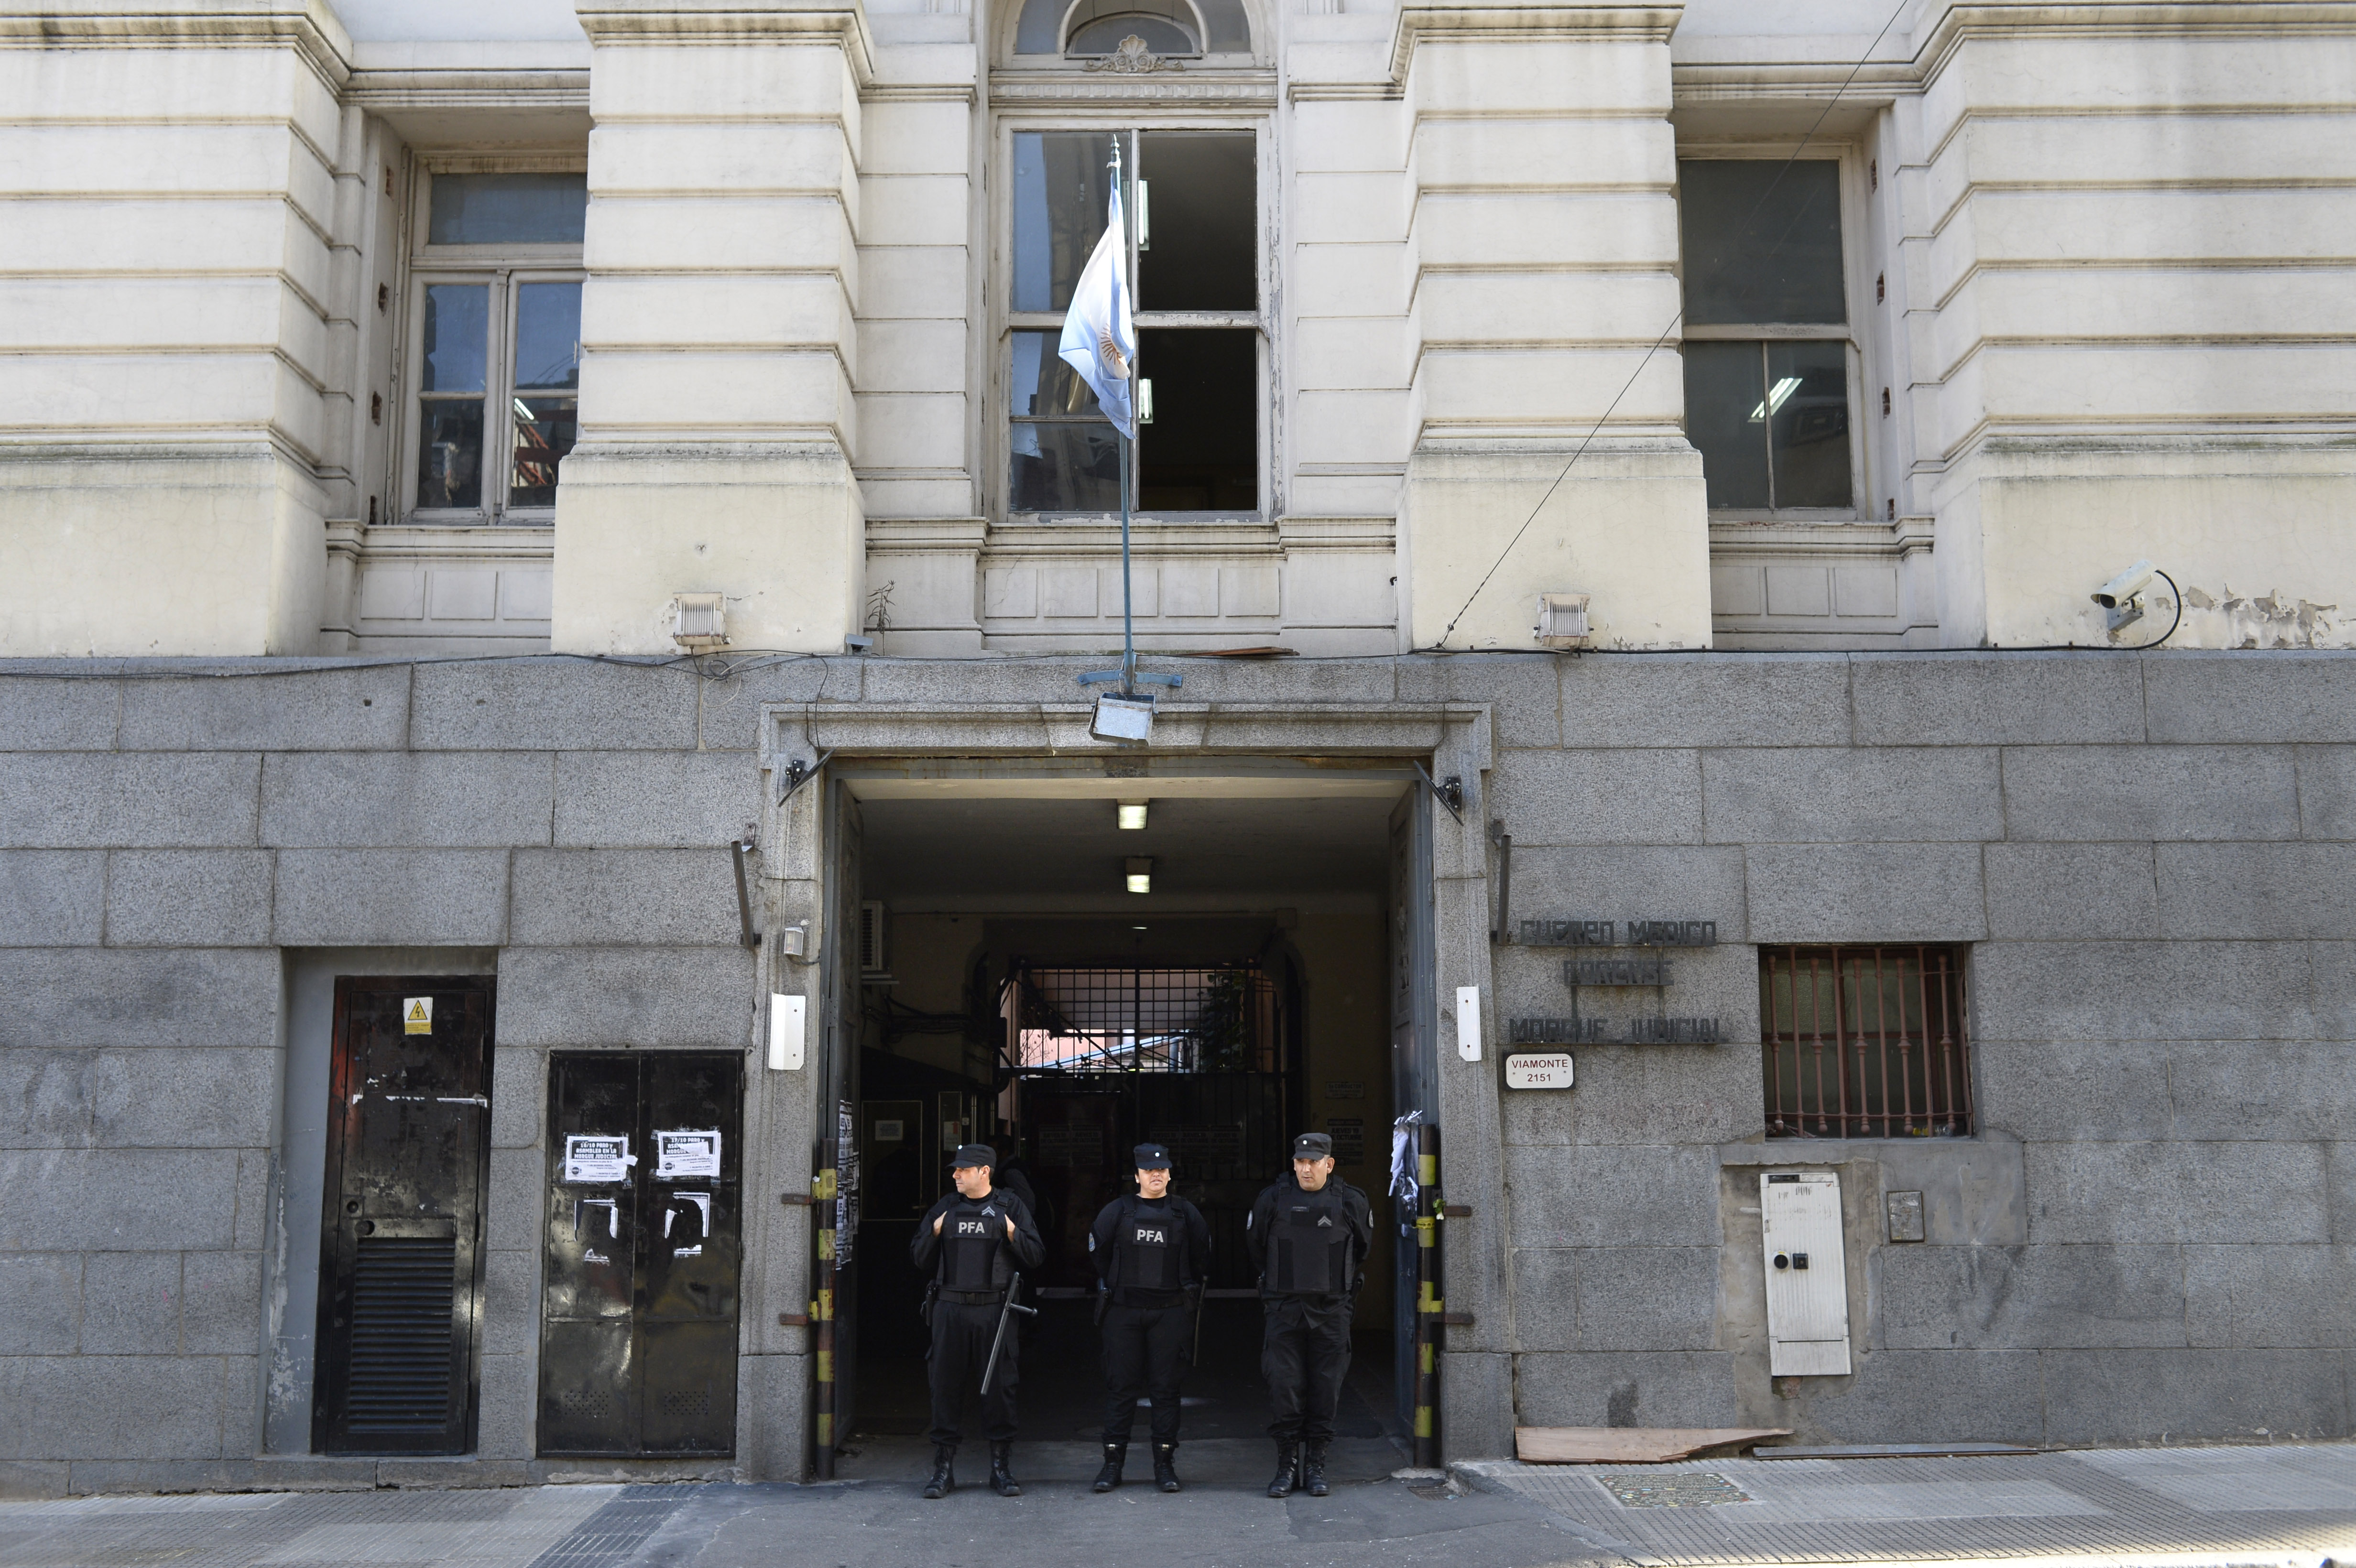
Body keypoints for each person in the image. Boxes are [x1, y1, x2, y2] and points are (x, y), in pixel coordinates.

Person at [909, 1143, 1044, 1499]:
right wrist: (935, 1230)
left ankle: (1000, 1469)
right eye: (956, 1170)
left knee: (1001, 1387)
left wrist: (1010, 1230)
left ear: (984, 1172)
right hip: (950, 1309)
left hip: (995, 1310)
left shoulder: (1009, 1205)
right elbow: (919, 1257)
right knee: (945, 1386)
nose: (955, 1175)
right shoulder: (947, 1207)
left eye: (963, 1170)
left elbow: (1036, 1255)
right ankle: (943, 1469)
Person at [1246, 1131, 1372, 1499]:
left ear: (1328, 1164)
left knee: (1326, 1389)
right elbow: (1257, 1248)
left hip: (1331, 1310)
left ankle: (1315, 1464)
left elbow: (1362, 1248)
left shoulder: (1350, 1200)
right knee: (1285, 1386)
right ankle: (1287, 1466)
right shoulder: (1273, 1199)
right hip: (1284, 1309)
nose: (1305, 1169)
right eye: (1300, 1162)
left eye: (1313, 1162)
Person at [1087, 1142, 1210, 1494]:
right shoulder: (1117, 1211)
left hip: (1170, 1312)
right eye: (1148, 1170)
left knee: (1166, 1391)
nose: (1156, 1174)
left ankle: (1165, 1465)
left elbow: (1202, 1256)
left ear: (1169, 1173)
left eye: (1162, 1169)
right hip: (1124, 1312)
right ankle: (1112, 1465)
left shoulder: (1185, 1213)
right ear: (1137, 1175)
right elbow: (1099, 1255)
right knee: (1120, 1389)